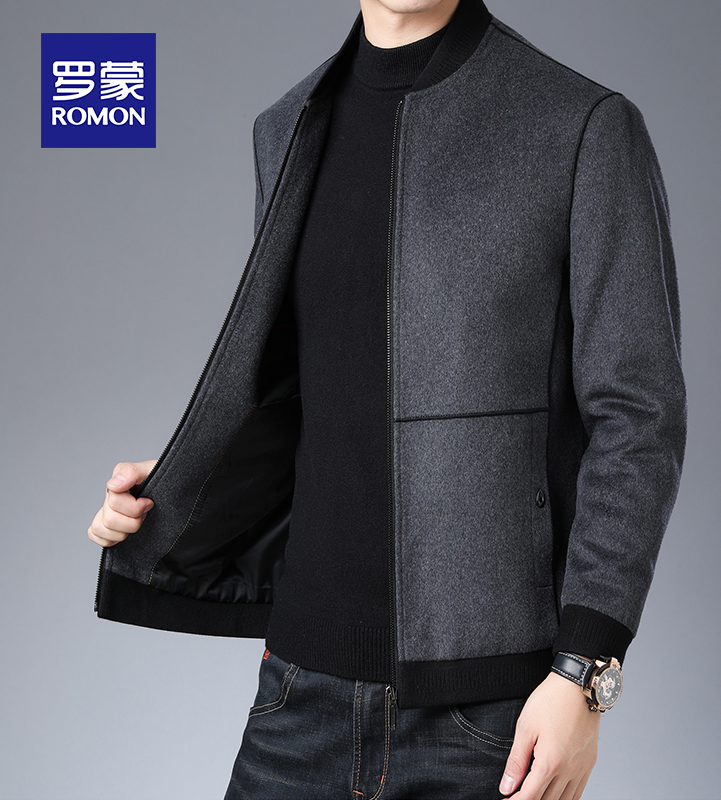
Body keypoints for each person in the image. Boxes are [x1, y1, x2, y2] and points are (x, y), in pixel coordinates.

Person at [88, 0, 686, 797]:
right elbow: (316, 385)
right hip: (298, 691)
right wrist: (178, 485)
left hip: (490, 712)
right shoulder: (286, 127)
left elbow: (640, 416)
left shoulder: (582, 125)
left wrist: (584, 670)